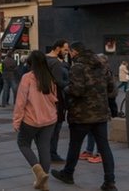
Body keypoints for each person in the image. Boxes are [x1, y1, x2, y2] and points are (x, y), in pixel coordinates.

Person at [51, 42, 117, 191]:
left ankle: (68, 173)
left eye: (70, 52)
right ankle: (110, 181)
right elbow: (111, 88)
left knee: (74, 145)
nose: (69, 54)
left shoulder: (77, 67)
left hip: (82, 114)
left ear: (75, 52)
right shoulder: (102, 66)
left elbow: (77, 90)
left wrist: (65, 88)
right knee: (104, 147)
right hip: (100, 114)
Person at [13, 50, 57, 190]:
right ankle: (43, 182)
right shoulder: (49, 78)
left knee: (23, 143)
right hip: (49, 119)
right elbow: (54, 98)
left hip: (31, 119)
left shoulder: (27, 77)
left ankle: (38, 172)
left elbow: (21, 101)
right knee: (44, 148)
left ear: (30, 64)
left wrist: (17, 120)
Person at [46, 39, 70, 162]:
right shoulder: (55, 62)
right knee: (55, 129)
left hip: (46, 99)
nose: (67, 52)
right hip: (57, 99)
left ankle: (47, 153)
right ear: (57, 48)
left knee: (50, 129)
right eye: (65, 49)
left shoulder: (45, 60)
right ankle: (52, 153)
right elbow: (59, 82)